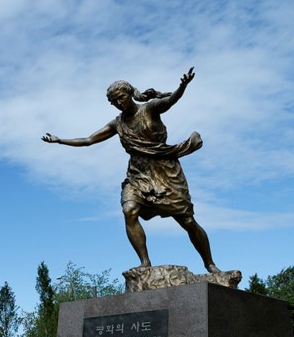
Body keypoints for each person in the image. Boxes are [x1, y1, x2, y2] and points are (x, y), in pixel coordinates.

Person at [42, 67, 221, 273]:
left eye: (121, 98)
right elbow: (88, 140)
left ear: (129, 94)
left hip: (165, 171)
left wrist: (182, 86)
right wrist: (60, 140)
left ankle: (210, 263)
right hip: (138, 174)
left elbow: (170, 101)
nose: (119, 103)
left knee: (187, 221)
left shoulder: (150, 109)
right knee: (129, 210)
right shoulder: (117, 123)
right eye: (114, 101)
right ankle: (145, 263)